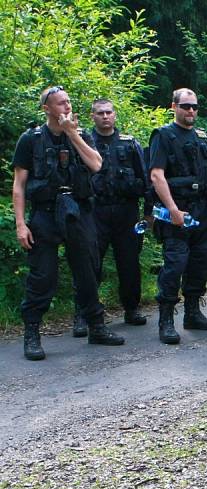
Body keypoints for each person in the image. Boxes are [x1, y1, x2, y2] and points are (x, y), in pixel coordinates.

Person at [12, 86, 124, 360]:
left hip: (78, 211)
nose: (66, 107)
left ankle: (96, 327)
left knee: (87, 270)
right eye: (60, 103)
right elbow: (19, 185)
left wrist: (72, 134)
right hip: (45, 214)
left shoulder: (81, 135)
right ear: (46, 108)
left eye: (68, 102)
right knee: (43, 275)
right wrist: (20, 224)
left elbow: (96, 165)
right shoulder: (31, 139)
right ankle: (32, 333)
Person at [148, 88, 207, 344]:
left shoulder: (201, 136)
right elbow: (157, 175)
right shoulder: (163, 136)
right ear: (174, 107)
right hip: (177, 208)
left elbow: (206, 170)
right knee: (175, 264)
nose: (191, 111)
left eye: (194, 107)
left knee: (200, 262)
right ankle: (166, 319)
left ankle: (192, 313)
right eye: (186, 106)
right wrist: (173, 210)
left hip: (203, 208)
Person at [72, 99, 148, 334]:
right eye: (100, 113)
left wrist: (149, 214)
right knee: (89, 264)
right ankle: (84, 315)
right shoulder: (83, 143)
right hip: (94, 211)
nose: (105, 116)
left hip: (126, 211)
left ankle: (131, 308)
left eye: (109, 112)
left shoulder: (129, 143)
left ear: (115, 115)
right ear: (92, 116)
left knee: (129, 263)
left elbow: (145, 181)